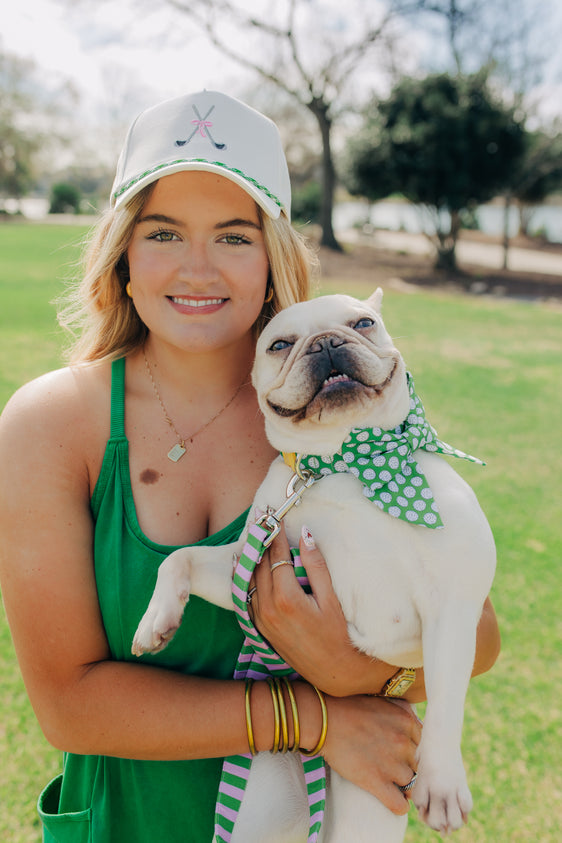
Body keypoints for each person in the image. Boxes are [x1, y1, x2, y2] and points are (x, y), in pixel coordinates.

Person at [0, 90, 500, 843]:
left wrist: (366, 674)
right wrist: (316, 717)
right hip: (130, 820)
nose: (197, 267)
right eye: (163, 232)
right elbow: (70, 704)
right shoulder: (48, 424)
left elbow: (479, 631)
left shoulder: (330, 415)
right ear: (124, 258)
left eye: (234, 237)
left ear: (272, 263)